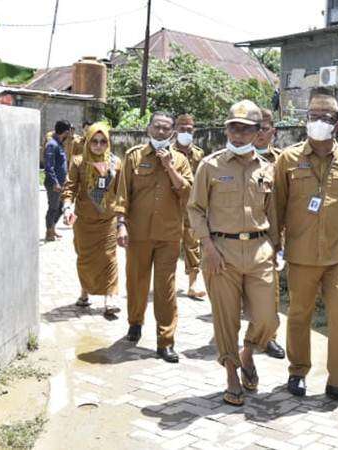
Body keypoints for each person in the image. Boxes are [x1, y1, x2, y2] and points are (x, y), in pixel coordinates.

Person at [274, 88, 338, 408]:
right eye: (313, 115)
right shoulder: (288, 159)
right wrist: (275, 246)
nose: (317, 121)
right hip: (301, 255)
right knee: (299, 314)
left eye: (325, 117)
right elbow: (277, 207)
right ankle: (298, 370)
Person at [187, 100, 280, 406]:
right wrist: (208, 247)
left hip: (259, 250)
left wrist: (276, 248)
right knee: (226, 318)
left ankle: (248, 352)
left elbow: (273, 213)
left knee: (268, 318)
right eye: (233, 128)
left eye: (246, 130)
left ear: (258, 132)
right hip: (221, 251)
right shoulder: (210, 166)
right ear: (226, 130)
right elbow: (195, 209)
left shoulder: (267, 168)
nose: (238, 135)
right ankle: (231, 374)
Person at [114, 112, 193, 363]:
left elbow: (187, 192)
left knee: (165, 288)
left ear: (172, 132)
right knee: (136, 282)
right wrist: (121, 225)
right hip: (138, 233)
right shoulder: (134, 156)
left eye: (166, 128)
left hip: (168, 235)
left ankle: (165, 340)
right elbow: (123, 194)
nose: (161, 132)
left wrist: (169, 166)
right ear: (149, 128)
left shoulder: (180, 160)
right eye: (157, 127)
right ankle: (135, 322)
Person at [61, 122, 122, 313]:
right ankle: (84, 291)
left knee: (109, 257)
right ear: (88, 141)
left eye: (103, 141)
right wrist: (67, 208)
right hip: (84, 220)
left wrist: (122, 220)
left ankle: (110, 297)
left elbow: (120, 192)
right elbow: (70, 188)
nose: (98, 145)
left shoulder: (116, 163)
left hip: (107, 220)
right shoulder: (78, 162)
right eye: (94, 141)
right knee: (85, 258)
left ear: (108, 143)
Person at [252, 107, 286, 360]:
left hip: (270, 235)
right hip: (241, 234)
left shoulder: (283, 161)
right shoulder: (237, 158)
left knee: (270, 289)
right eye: (256, 128)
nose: (260, 133)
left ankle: (269, 337)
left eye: (264, 128)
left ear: (273, 131)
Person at [171, 113, 207, 299]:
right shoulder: (168, 152)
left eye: (189, 130)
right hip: (171, 206)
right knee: (170, 245)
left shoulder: (199, 154)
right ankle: (167, 283)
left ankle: (193, 284)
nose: (186, 133)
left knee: (193, 244)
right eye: (182, 129)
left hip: (192, 206)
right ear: (175, 130)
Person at [43, 120, 71, 242]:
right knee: (53, 207)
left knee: (60, 207)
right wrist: (55, 182)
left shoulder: (59, 144)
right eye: (68, 132)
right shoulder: (52, 145)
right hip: (54, 184)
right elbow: (48, 166)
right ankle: (49, 232)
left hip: (61, 183)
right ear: (65, 132)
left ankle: (53, 228)